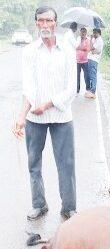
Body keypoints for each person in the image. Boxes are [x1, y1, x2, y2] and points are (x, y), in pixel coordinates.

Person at [12, 5, 77, 220]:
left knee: (66, 164)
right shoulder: (30, 51)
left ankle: (69, 207)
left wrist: (48, 104)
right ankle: (39, 204)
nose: (45, 25)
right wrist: (22, 116)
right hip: (34, 119)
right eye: (41, 21)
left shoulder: (68, 50)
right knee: (34, 164)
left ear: (55, 23)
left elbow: (71, 88)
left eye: (49, 20)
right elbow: (28, 88)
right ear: (36, 23)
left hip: (61, 117)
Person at [86, 28, 104, 99]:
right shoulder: (95, 39)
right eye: (93, 32)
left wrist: (90, 40)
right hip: (91, 58)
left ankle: (93, 92)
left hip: (94, 60)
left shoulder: (99, 40)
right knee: (90, 75)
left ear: (98, 33)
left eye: (95, 33)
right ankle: (91, 91)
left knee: (93, 75)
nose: (93, 34)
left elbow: (91, 48)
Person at [76, 27, 90, 94]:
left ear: (86, 33)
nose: (83, 33)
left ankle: (88, 89)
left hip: (85, 61)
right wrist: (80, 47)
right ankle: (77, 89)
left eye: (84, 32)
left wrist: (79, 47)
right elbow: (75, 47)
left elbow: (87, 48)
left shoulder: (87, 40)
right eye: (82, 32)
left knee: (86, 75)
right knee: (77, 76)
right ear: (80, 32)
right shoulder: (77, 39)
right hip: (77, 60)